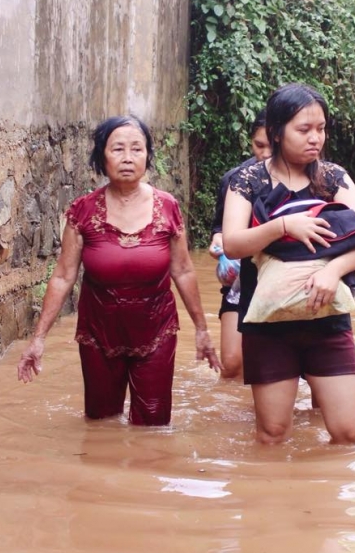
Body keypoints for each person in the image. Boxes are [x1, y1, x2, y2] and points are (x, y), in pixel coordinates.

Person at [17, 115, 221, 425]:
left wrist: (202, 331)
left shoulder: (168, 207)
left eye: (137, 149)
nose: (128, 158)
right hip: (98, 333)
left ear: (147, 156)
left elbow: (183, 271)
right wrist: (39, 339)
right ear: (101, 156)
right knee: (100, 422)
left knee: (153, 424)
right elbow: (63, 275)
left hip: (156, 329)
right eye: (118, 149)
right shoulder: (82, 211)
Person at [222, 84, 355, 445]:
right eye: (304, 130)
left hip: (326, 317)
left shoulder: (332, 178)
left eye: (321, 129)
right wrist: (282, 226)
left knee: (348, 432)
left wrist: (332, 271)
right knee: (273, 433)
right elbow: (232, 243)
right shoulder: (248, 180)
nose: (316, 139)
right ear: (277, 132)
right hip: (267, 321)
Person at [207, 112, 272, 379]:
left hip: (282, 280)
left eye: (271, 146)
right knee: (232, 364)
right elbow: (220, 229)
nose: (265, 154)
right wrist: (218, 243)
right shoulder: (235, 179)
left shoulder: (305, 178)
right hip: (239, 280)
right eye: (259, 146)